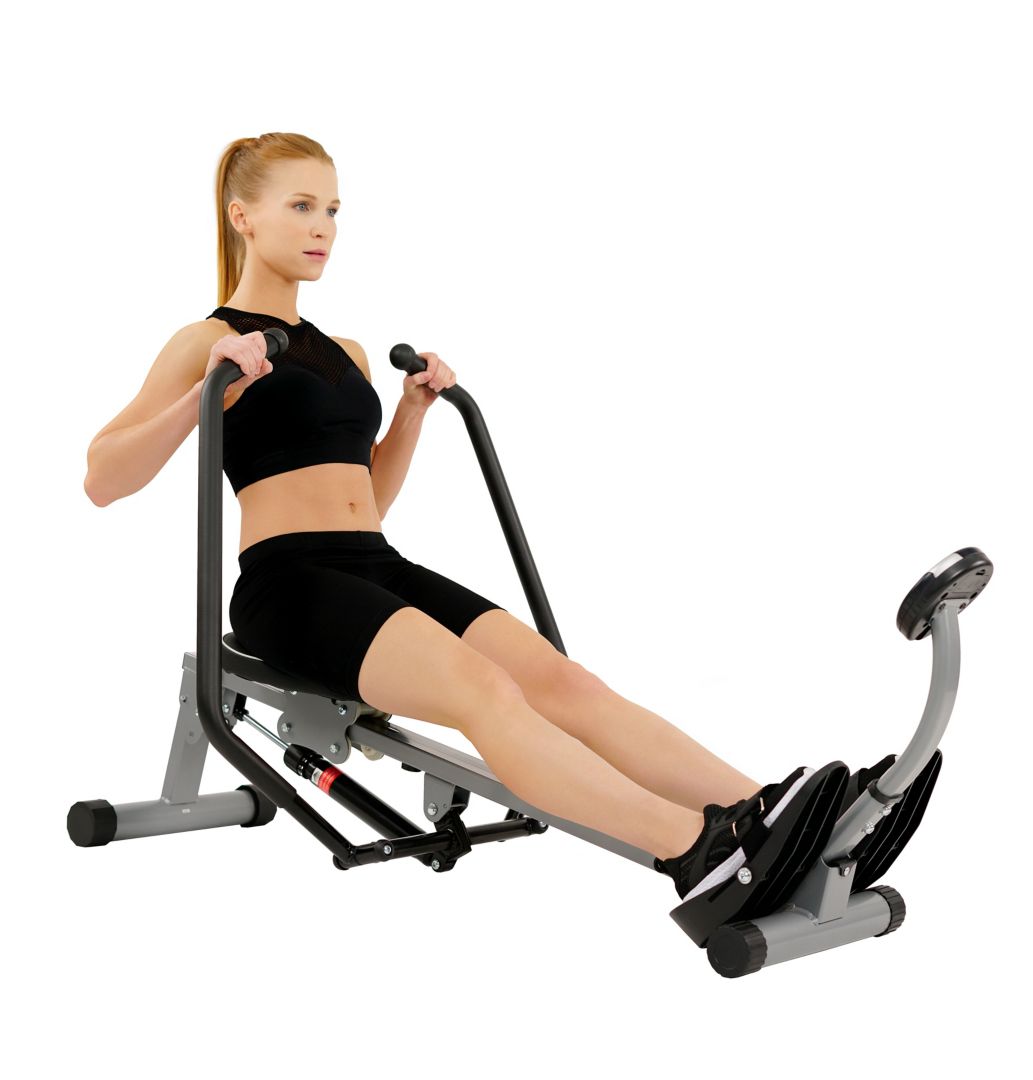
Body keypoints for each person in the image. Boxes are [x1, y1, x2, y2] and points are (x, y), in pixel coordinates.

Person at [83, 131, 932, 913]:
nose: (324, 228)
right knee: (484, 693)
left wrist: (410, 415)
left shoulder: (346, 353)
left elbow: (368, 500)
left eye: (334, 209)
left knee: (567, 685)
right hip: (288, 585)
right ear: (243, 216)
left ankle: (772, 815)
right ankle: (696, 852)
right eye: (302, 206)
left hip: (372, 562)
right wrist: (207, 396)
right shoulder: (209, 340)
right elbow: (102, 478)